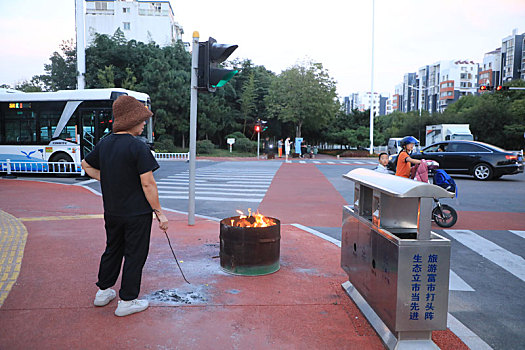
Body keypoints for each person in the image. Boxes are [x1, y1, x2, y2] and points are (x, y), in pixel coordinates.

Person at [81, 95, 168, 317]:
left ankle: (103, 291)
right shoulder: (138, 148)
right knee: (135, 254)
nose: (143, 124)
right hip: (137, 214)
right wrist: (159, 213)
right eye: (141, 121)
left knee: (113, 249)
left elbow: (85, 164)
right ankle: (127, 300)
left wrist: (107, 178)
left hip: (112, 212)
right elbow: (148, 183)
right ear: (130, 120)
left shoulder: (105, 143)